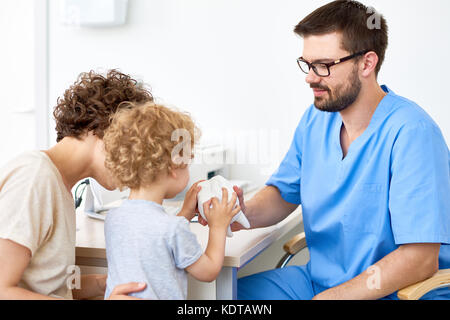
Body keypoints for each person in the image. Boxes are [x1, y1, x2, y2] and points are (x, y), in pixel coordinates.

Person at [205, 0, 450, 300]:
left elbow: (420, 258)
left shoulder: (412, 133)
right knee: (215, 297)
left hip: (395, 291)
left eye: (324, 66)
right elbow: (283, 193)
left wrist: (333, 298)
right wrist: (238, 213)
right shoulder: (316, 119)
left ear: (366, 63)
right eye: (307, 64)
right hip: (319, 282)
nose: (310, 77)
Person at [0, 69, 155, 299]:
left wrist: (104, 284)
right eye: (133, 149)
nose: (135, 166)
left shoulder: (59, 185)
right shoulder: (36, 177)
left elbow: (47, 288)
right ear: (102, 130)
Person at [102, 102, 241, 299]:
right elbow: (208, 271)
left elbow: (158, 239)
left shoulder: (113, 218)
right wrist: (218, 226)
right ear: (173, 168)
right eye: (187, 163)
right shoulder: (173, 228)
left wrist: (184, 213)